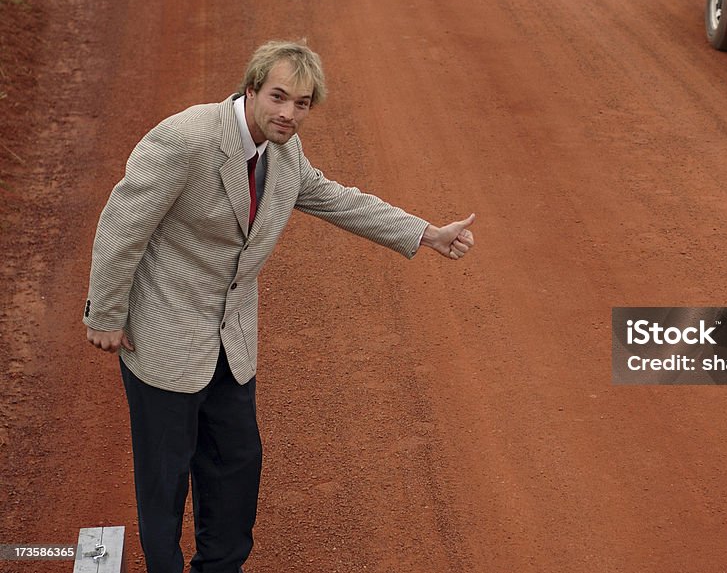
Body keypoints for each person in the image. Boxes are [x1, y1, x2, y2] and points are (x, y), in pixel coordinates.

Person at [83, 40, 476, 573]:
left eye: (303, 103)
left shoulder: (284, 155)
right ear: (251, 89)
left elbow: (338, 199)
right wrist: (105, 314)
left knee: (236, 466)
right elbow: (121, 224)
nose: (289, 113)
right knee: (165, 478)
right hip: (164, 335)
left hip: (230, 342)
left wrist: (426, 233)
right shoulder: (186, 137)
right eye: (279, 97)